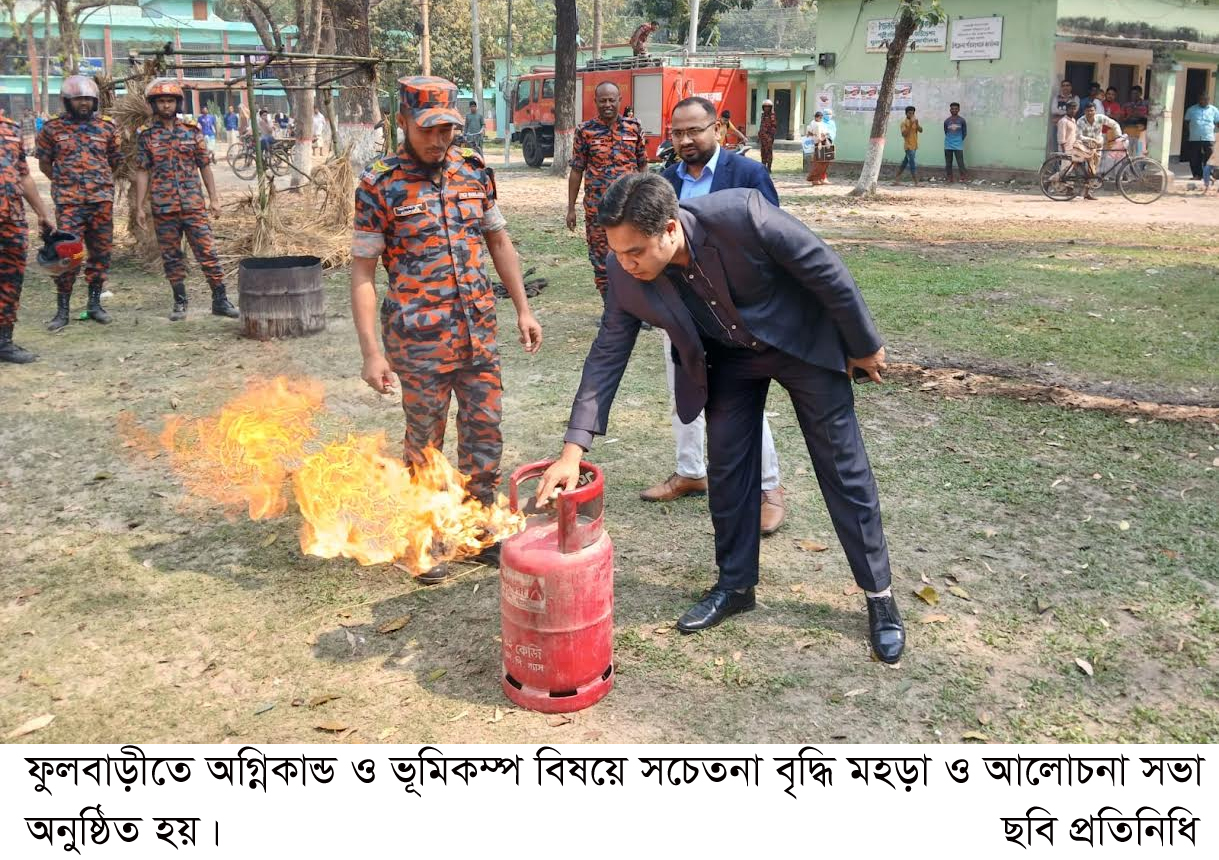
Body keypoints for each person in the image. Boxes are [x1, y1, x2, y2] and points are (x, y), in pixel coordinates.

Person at [535, 174, 905, 662]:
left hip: (801, 346)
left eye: (636, 251)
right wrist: (572, 450)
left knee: (842, 467)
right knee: (729, 472)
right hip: (728, 362)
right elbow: (607, 352)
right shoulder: (624, 269)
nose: (625, 264)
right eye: (618, 251)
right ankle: (735, 587)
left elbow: (825, 270)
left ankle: (879, 597)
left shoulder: (743, 214)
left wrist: (864, 345)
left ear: (670, 228)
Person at [350, 76, 543, 583]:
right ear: (403, 122)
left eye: (448, 130)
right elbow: (363, 275)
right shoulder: (379, 183)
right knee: (425, 443)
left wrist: (522, 309)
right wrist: (372, 352)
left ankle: (478, 530)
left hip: (478, 332)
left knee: (485, 437)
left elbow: (500, 243)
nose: (439, 141)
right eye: (428, 130)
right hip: (417, 342)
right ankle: (427, 539)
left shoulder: (473, 171)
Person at [646, 95, 786, 533]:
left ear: (717, 131)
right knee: (682, 390)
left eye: (694, 130)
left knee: (742, 397)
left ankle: (768, 487)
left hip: (733, 310)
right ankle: (690, 471)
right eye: (677, 132)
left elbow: (775, 238)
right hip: (682, 307)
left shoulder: (746, 174)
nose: (685, 140)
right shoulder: (665, 181)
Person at [134, 78, 238, 321]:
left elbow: (204, 166)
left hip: (193, 205)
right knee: (171, 256)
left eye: (170, 101)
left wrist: (214, 199)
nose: (166, 106)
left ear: (177, 103)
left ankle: (220, 300)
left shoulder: (192, 132)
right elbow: (142, 171)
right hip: (164, 208)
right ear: (154, 104)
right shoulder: (146, 136)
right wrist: (139, 206)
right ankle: (180, 302)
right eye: (161, 101)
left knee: (208, 252)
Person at [34, 74, 120, 331]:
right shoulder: (52, 129)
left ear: (94, 101)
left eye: (88, 99)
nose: (83, 103)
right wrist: (64, 183)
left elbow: (114, 160)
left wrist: (98, 182)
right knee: (68, 255)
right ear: (67, 101)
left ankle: (94, 304)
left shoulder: (107, 127)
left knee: (100, 254)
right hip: (69, 204)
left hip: (100, 202)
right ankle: (62, 310)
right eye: (78, 99)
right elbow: (44, 163)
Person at [566, 81, 648, 301]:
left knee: (634, 255)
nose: (608, 104)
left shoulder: (634, 128)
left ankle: (635, 308)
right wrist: (570, 208)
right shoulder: (585, 131)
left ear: (620, 100)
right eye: (603, 100)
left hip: (630, 208)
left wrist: (646, 199)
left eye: (612, 99)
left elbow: (642, 166)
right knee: (601, 260)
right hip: (597, 210)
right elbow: (576, 171)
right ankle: (611, 310)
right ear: (596, 102)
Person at [0, 110, 56, 363]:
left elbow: (23, 175)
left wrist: (43, 213)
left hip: (11, 220)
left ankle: (4, 341)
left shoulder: (10, 129)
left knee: (10, 280)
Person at [1184, 93, 1219, 181]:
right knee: (1194, 157)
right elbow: (1186, 122)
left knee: (1210, 157)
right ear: (1198, 100)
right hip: (1194, 137)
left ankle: (1209, 175)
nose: (1204, 101)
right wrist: (1192, 130)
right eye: (1202, 99)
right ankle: (1197, 175)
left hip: (1209, 137)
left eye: (1206, 99)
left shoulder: (1214, 110)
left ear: (1209, 100)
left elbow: (1217, 122)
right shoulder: (1191, 109)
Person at [894, 105, 921, 185]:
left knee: (904, 163)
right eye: (909, 113)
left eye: (913, 113)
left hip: (914, 146)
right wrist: (910, 124)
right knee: (912, 163)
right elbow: (904, 134)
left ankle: (896, 179)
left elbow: (921, 130)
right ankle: (916, 182)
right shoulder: (903, 123)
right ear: (906, 114)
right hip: (908, 147)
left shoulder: (915, 121)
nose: (911, 115)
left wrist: (917, 124)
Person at [804, 111, 832, 185]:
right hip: (818, 144)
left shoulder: (820, 124)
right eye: (820, 117)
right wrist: (821, 137)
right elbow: (812, 135)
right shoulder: (814, 124)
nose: (821, 119)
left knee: (825, 161)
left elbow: (825, 132)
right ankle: (815, 179)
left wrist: (825, 136)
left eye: (821, 117)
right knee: (818, 163)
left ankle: (822, 178)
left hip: (823, 143)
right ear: (816, 117)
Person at [943, 102, 968, 182]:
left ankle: (963, 177)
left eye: (956, 109)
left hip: (958, 145)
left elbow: (964, 133)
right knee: (948, 163)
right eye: (952, 109)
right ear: (950, 110)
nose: (954, 110)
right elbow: (946, 131)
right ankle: (950, 177)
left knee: (960, 162)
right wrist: (950, 139)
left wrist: (959, 140)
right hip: (948, 145)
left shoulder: (962, 121)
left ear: (959, 110)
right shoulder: (947, 121)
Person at [757, 99, 777, 173]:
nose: (766, 108)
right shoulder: (763, 115)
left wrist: (770, 137)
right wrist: (759, 135)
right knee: (763, 152)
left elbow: (774, 127)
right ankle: (763, 166)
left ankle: (769, 168)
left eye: (768, 107)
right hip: (763, 137)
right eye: (765, 106)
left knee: (768, 152)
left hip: (768, 138)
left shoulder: (772, 116)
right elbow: (761, 126)